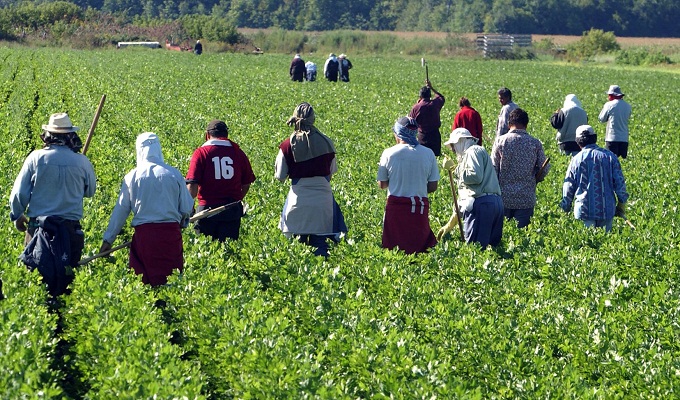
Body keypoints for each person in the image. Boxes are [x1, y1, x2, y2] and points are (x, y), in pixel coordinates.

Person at [9, 113, 96, 296]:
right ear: (69, 136)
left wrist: (17, 216)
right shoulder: (82, 161)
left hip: (38, 229)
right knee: (67, 282)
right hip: (69, 231)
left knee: (37, 283)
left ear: (48, 135)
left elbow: (18, 194)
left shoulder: (36, 158)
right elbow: (89, 192)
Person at [100, 132, 193, 286]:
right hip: (170, 236)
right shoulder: (173, 174)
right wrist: (183, 221)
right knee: (170, 282)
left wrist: (108, 240)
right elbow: (186, 207)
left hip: (145, 237)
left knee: (144, 284)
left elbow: (121, 211)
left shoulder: (132, 176)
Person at [275, 103, 347, 257]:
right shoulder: (327, 142)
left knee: (296, 252)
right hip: (323, 201)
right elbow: (331, 172)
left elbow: (280, 176)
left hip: (297, 201)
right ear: (313, 119)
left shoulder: (287, 145)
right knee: (321, 249)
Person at [186, 120, 256, 242]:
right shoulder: (237, 152)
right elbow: (246, 182)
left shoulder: (201, 153)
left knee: (206, 253)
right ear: (226, 135)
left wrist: (187, 208)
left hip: (206, 212)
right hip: (232, 211)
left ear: (207, 135)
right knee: (229, 252)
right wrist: (237, 199)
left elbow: (192, 187)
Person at [377, 116, 439, 254]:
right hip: (418, 207)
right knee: (419, 247)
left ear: (398, 133)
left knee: (395, 248)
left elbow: (382, 184)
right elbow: (433, 186)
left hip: (396, 208)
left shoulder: (389, 153)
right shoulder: (428, 153)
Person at [560, 125, 629, 232]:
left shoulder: (576, 160)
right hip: (607, 210)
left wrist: (566, 207)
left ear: (578, 142)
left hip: (584, 211)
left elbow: (569, 185)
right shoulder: (610, 156)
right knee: (606, 244)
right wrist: (621, 204)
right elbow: (620, 183)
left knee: (587, 244)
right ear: (595, 138)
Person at [442, 128, 503, 248]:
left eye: (454, 145)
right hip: (494, 203)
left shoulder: (473, 151)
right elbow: (466, 192)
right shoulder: (474, 153)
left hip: (482, 205)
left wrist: (455, 170)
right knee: (493, 249)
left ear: (461, 141)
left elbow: (475, 176)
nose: (453, 150)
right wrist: (451, 222)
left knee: (476, 250)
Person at [491, 108, 550, 228]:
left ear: (509, 124)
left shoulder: (500, 141)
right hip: (526, 198)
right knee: (522, 237)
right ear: (526, 124)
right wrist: (537, 178)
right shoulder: (535, 143)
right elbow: (545, 168)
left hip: (504, 198)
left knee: (503, 235)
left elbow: (493, 168)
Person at [408, 79, 445, 156]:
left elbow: (410, 122)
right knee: (435, 159)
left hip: (422, 137)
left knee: (423, 158)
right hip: (435, 136)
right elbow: (441, 97)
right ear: (430, 95)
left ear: (420, 96)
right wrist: (431, 87)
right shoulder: (435, 104)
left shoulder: (416, 107)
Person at [598, 85, 632, 158]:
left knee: (611, 161)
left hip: (612, 138)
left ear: (611, 95)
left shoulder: (609, 105)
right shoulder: (628, 106)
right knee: (622, 162)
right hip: (624, 138)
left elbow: (601, 119)